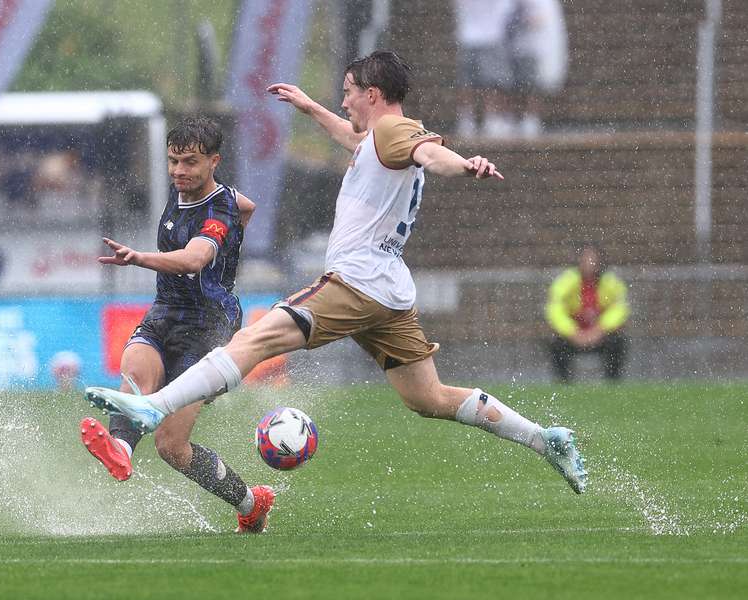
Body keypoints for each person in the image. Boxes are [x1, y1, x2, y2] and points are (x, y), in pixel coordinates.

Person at [84, 51, 589, 533]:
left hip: (355, 280)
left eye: (347, 93)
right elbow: (358, 140)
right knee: (429, 398)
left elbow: (427, 151)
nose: (343, 102)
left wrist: (464, 164)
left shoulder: (394, 129)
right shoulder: (376, 140)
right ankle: (544, 440)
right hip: (389, 290)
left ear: (373, 93)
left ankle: (154, 407)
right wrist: (310, 109)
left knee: (256, 340)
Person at [79, 116, 274, 534]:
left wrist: (140, 257)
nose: (179, 171)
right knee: (134, 368)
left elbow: (194, 259)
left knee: (171, 445)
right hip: (166, 310)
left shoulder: (218, 207)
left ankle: (250, 504)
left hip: (209, 328)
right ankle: (121, 449)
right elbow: (249, 206)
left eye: (190, 163)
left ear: (214, 162)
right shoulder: (187, 191)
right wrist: (241, 235)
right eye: (173, 162)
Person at [546, 245, 630, 383]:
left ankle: (612, 385)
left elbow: (620, 307)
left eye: (593, 260)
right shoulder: (567, 281)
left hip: (600, 337)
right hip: (574, 337)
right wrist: (572, 332)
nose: (590, 264)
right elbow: (555, 307)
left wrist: (600, 329)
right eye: (586, 260)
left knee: (617, 343)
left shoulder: (610, 282)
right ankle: (563, 385)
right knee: (557, 345)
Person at [453, 0, 517, 138]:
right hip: (491, 37)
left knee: (467, 83)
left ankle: (467, 119)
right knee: (492, 82)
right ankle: (491, 119)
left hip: (468, 37)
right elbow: (508, 9)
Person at [507, 0, 568, 138]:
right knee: (516, 86)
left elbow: (540, 19)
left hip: (532, 50)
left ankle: (530, 119)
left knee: (531, 87)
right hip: (517, 47)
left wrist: (520, 20)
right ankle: (519, 118)